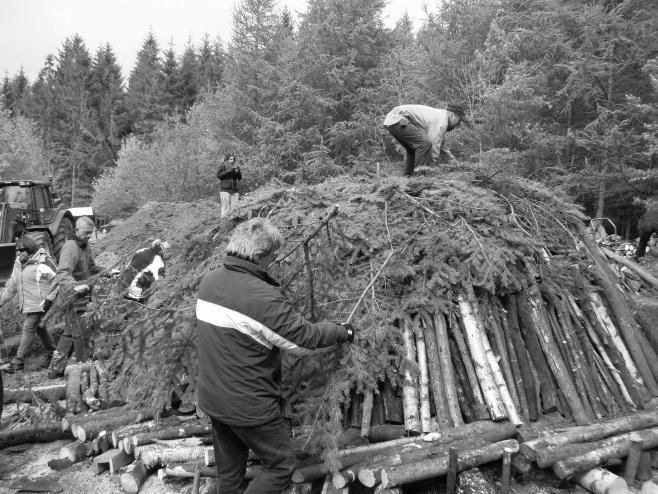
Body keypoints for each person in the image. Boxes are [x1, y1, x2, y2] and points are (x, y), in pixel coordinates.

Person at [196, 218, 355, 494]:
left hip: (213, 398)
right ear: (259, 256)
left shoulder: (210, 282)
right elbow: (304, 340)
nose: (274, 262)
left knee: (229, 475)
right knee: (281, 465)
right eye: (272, 257)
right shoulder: (262, 297)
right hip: (248, 405)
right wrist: (341, 331)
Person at [47, 216, 100, 378]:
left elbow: (92, 267)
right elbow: (62, 273)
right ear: (76, 230)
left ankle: (54, 370)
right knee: (81, 335)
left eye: (91, 233)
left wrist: (108, 271)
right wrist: (75, 286)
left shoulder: (85, 246)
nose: (89, 236)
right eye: (86, 233)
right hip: (72, 298)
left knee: (68, 334)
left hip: (83, 297)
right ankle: (82, 371)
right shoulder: (70, 247)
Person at [0, 236, 58, 373]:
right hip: (29, 304)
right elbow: (11, 287)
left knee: (28, 327)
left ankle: (17, 362)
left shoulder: (44, 261)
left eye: (22, 250)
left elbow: (57, 280)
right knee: (39, 328)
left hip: (42, 303)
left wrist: (49, 299)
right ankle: (53, 354)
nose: (19, 254)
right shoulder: (19, 264)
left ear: (30, 248)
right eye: (17, 251)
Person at [383, 103, 470, 177]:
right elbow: (433, 144)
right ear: (452, 115)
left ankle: (407, 179)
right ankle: (418, 180)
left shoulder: (439, 117)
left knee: (413, 149)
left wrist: (451, 160)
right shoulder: (442, 120)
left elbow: (441, 143)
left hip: (394, 120)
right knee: (424, 144)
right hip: (399, 119)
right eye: (459, 120)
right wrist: (430, 169)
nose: (458, 124)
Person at [120, 239, 169, 303]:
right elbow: (158, 279)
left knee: (144, 274)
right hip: (132, 290)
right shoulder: (157, 260)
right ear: (161, 251)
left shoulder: (143, 250)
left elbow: (131, 261)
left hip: (122, 279)